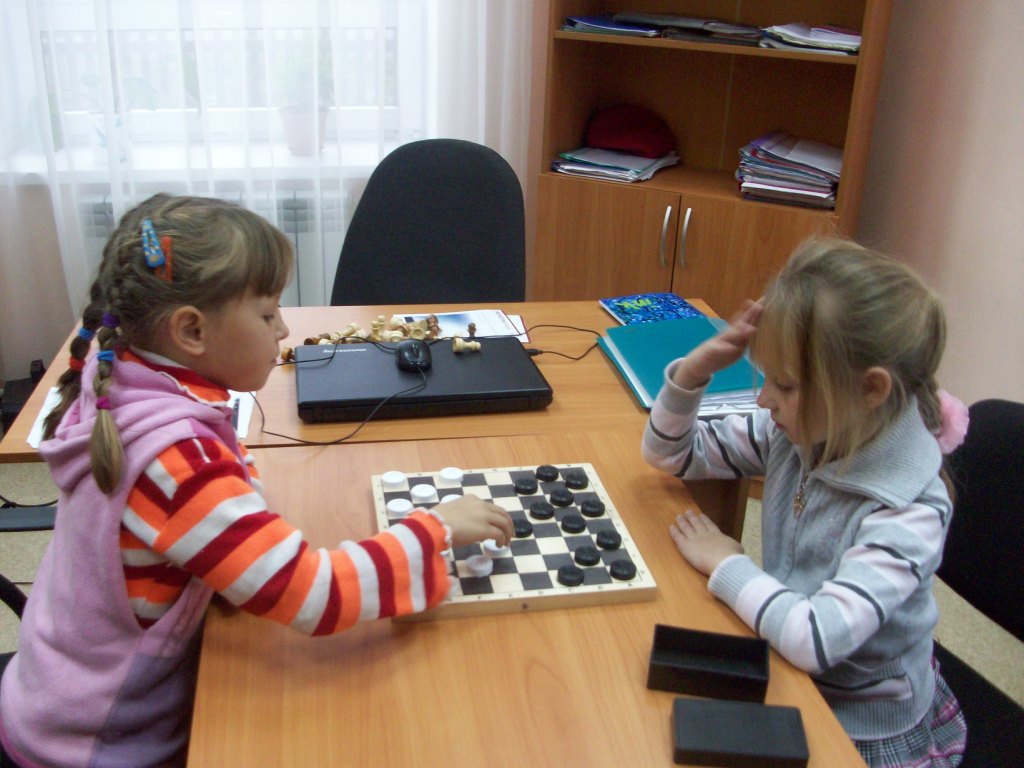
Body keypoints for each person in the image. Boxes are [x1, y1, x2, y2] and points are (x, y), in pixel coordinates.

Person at [0, 194, 513, 768]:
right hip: (94, 741)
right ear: (191, 330)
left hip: (51, 689)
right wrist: (436, 529)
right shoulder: (176, 462)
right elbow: (311, 594)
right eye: (268, 315)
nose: (284, 329)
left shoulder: (121, 375)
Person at [642, 238, 968, 767]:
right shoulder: (805, 431)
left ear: (870, 390)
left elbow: (816, 639)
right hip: (791, 664)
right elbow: (669, 453)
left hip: (860, 722)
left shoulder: (909, 511)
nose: (764, 398)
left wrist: (728, 563)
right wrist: (695, 371)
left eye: (785, 384)